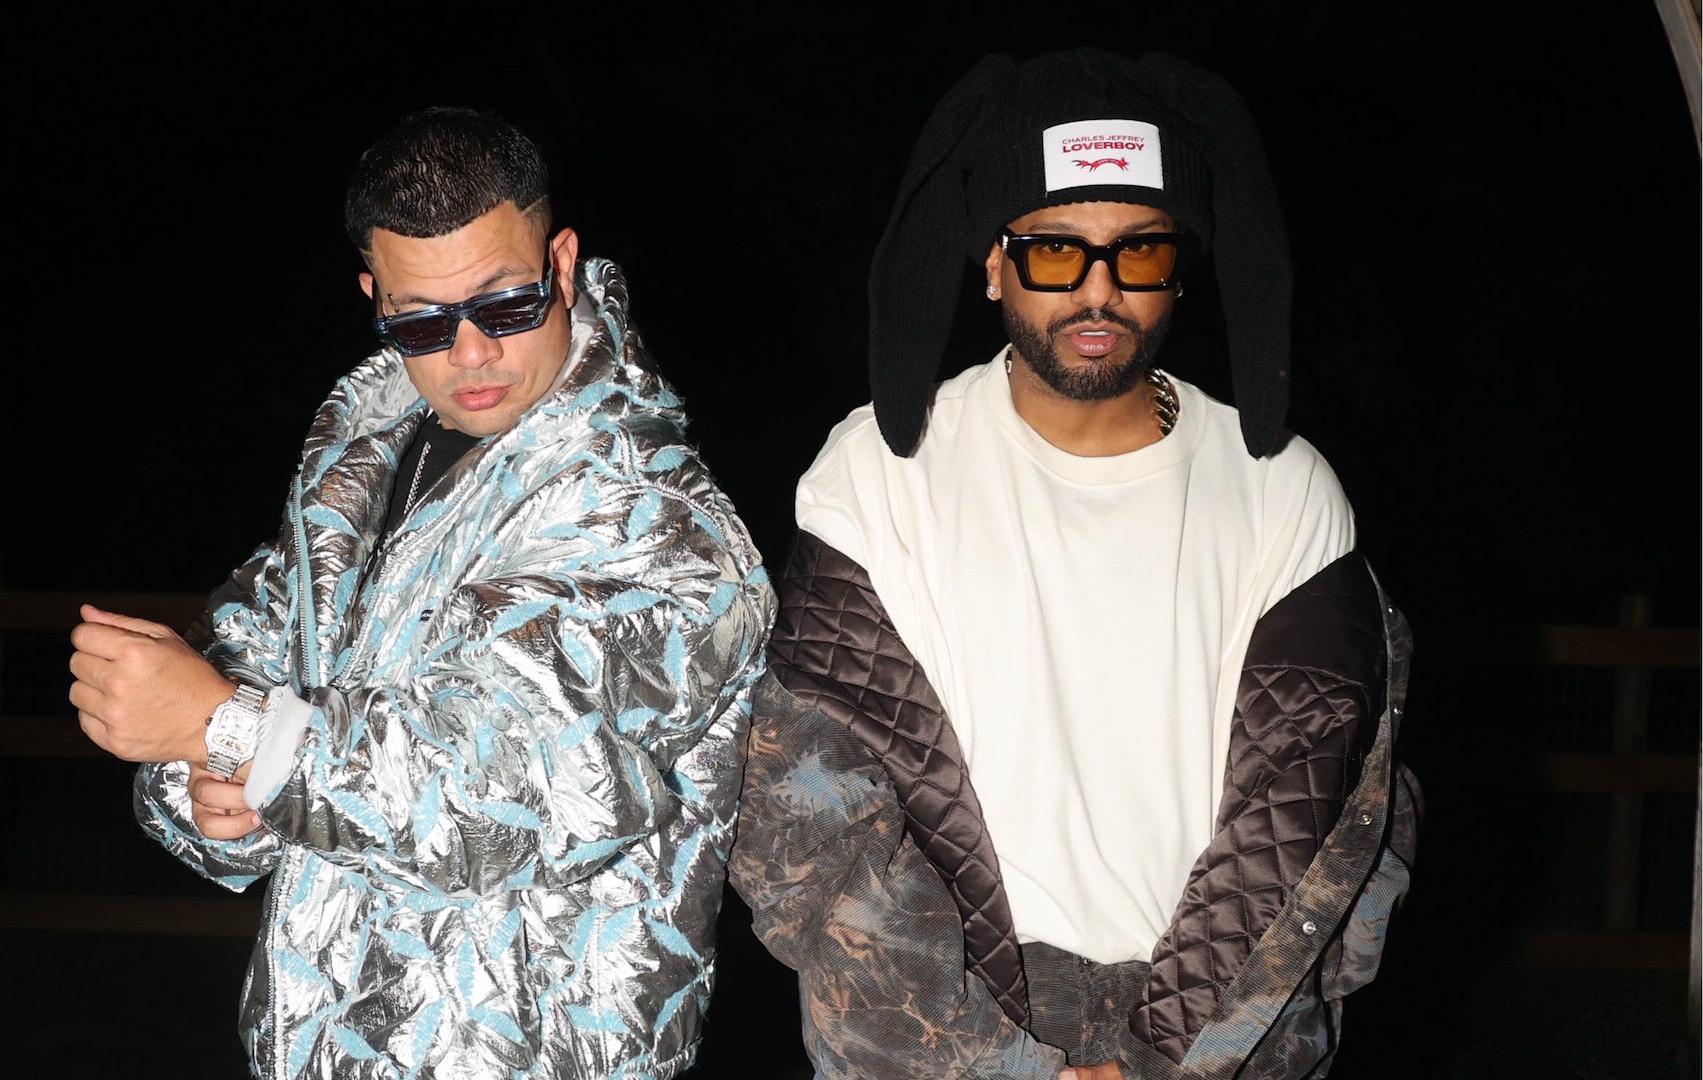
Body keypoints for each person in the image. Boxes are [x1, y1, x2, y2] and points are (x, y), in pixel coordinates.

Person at [728, 49, 1419, 1080]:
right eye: (1056, 251)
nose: (1099, 291)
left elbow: (1324, 828)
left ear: (1179, 264)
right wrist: (1004, 1065)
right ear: (995, 260)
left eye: (1137, 253)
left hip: (1218, 1040)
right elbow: (812, 827)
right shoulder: (877, 476)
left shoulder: (1283, 492)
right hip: (952, 1028)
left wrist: (1157, 1056)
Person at [69, 107, 773, 1080]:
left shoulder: (659, 526)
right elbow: (234, 677)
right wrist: (206, 788)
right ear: (374, 297)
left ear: (561, 264)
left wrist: (231, 731)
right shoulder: (358, 477)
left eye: (507, 304)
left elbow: (494, 796)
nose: (470, 351)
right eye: (422, 319)